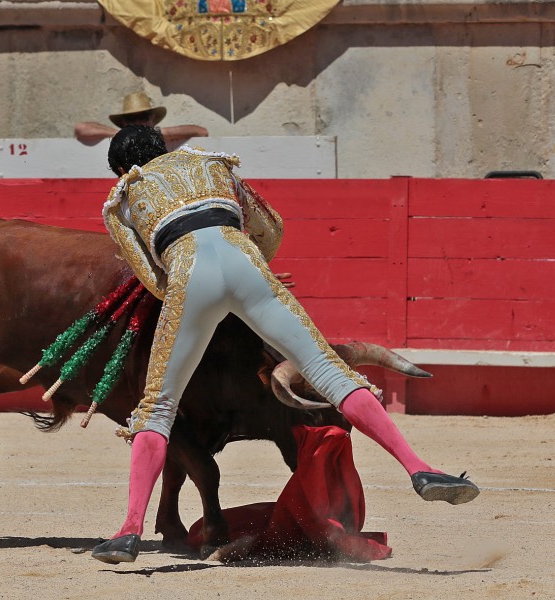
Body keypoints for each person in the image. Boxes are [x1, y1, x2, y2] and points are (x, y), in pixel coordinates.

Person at [91, 125, 480, 564]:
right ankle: (419, 468)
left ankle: (128, 532)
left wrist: (196, 296)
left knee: (157, 407)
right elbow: (270, 227)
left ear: (123, 168)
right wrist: (248, 276)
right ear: (164, 148)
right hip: (245, 261)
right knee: (331, 372)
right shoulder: (211, 162)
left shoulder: (122, 195)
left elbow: (152, 278)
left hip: (187, 273)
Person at [74, 91, 208, 147]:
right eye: (131, 119)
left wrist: (155, 134)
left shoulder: (157, 135)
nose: (138, 122)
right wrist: (125, 134)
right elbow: (81, 129)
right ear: (123, 123)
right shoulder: (120, 136)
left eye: (143, 117)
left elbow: (201, 132)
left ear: (153, 119)